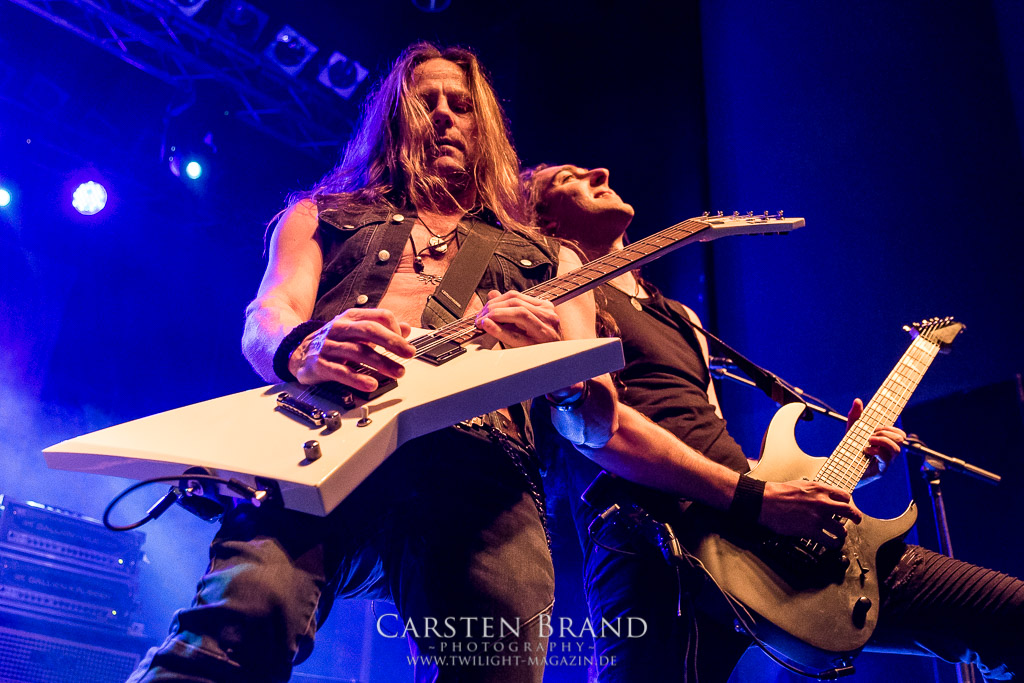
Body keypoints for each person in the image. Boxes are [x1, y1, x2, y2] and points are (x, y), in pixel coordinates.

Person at [126, 45, 621, 683]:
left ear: (487, 127)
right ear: (394, 118)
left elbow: (598, 422)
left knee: (493, 667)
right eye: (425, 101)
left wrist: (561, 378)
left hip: (481, 465)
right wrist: (304, 348)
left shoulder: (554, 259)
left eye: (462, 105)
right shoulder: (320, 215)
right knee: (242, 621)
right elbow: (267, 314)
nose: (444, 116)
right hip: (319, 443)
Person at [523, 163, 1024, 681]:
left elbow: (714, 445)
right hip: (655, 547)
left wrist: (841, 474)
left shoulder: (682, 318)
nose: (600, 171)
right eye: (567, 177)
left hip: (757, 530)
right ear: (545, 220)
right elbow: (594, 429)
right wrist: (755, 499)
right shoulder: (559, 291)